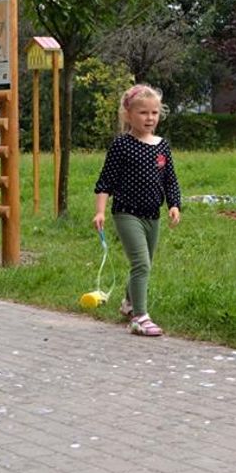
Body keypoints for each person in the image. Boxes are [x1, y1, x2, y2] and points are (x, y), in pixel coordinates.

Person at [93, 84, 182, 336]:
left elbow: (170, 180)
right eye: (143, 113)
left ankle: (128, 302)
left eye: (154, 113)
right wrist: (100, 211)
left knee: (145, 263)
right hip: (126, 213)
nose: (150, 118)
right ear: (128, 114)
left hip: (152, 215)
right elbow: (105, 181)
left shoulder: (162, 146)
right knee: (141, 263)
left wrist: (174, 205)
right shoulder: (122, 145)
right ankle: (139, 317)